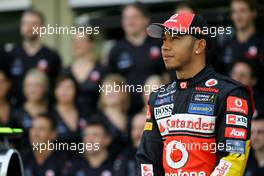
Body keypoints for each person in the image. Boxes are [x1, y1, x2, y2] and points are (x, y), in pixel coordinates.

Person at [136, 11, 253, 175]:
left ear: (199, 46)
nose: (165, 46)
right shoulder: (158, 97)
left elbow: (232, 157)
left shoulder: (230, 94)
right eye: (164, 39)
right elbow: (147, 160)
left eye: (175, 38)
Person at [108, 2, 165, 115]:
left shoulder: (159, 45)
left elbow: (167, 76)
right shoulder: (116, 49)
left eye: (134, 17)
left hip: (155, 110)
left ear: (146, 20)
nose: (130, 21)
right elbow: (111, 81)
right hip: (125, 112)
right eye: (126, 17)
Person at [8, 9, 61, 107]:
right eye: (26, 23)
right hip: (15, 112)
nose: (29, 27)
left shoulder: (52, 56)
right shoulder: (11, 54)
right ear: (21, 27)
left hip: (44, 113)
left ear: (42, 28)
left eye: (34, 24)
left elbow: (56, 88)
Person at [219, 0, 264, 88]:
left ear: (253, 13)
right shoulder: (226, 46)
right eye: (234, 12)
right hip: (231, 98)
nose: (238, 17)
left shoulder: (261, 43)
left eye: (242, 11)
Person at [64, 33, 105, 116]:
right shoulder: (65, 72)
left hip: (96, 120)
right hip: (71, 120)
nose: (77, 44)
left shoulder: (102, 70)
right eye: (75, 41)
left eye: (81, 41)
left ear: (91, 44)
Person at [95, 74, 130, 158]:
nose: (110, 92)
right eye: (106, 89)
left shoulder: (131, 119)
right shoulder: (96, 120)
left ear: (124, 93)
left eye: (115, 88)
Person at [12, 69, 49, 147]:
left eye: (36, 85)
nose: (32, 90)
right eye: (28, 85)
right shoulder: (15, 114)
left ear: (45, 87)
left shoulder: (52, 111)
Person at [51, 73, 83, 144]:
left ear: (75, 90)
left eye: (68, 88)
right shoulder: (49, 115)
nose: (64, 91)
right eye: (60, 87)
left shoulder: (85, 113)